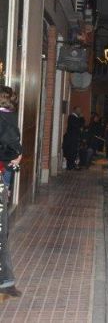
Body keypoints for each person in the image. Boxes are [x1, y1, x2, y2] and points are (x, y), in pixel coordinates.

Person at [0, 86, 22, 299]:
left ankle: (6, 281)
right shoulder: (8, 118)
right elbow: (12, 147)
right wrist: (13, 157)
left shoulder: (6, 118)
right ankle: (6, 281)